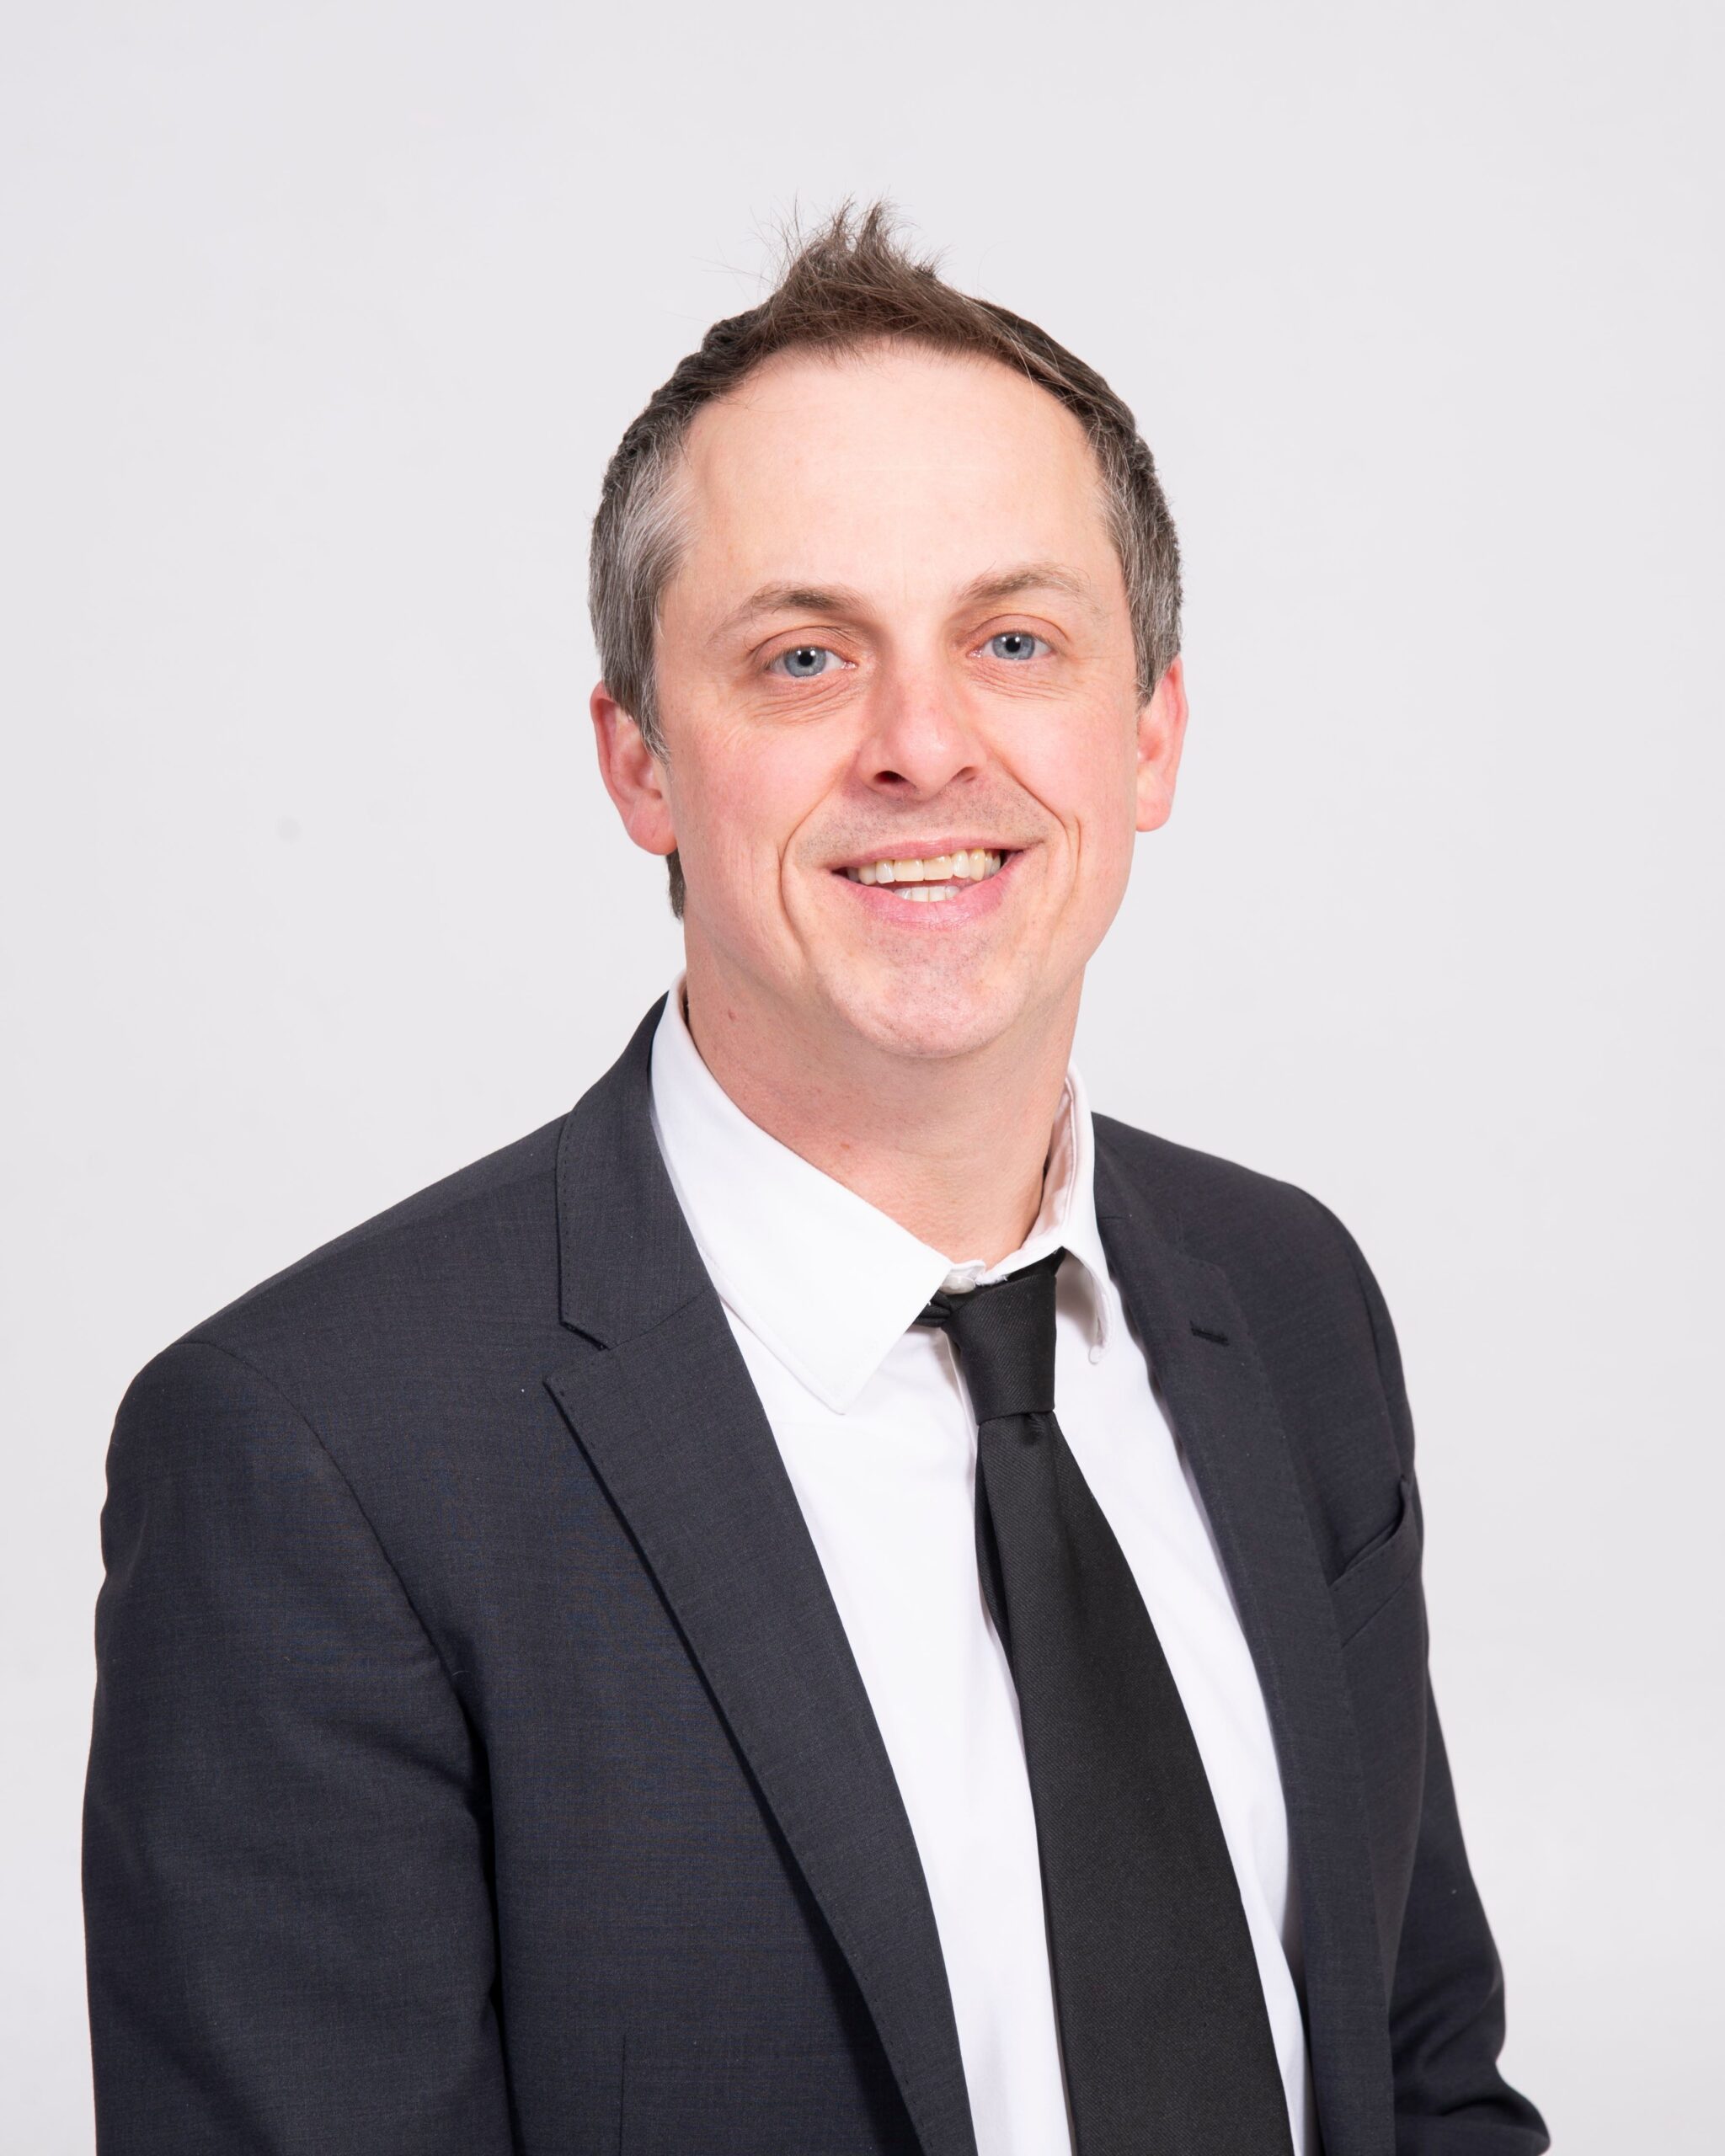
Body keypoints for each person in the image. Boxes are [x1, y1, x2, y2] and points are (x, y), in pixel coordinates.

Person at [82, 204, 1550, 2156]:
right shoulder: (316, 1461)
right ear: (640, 766)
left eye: (1014, 640)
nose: (923, 744)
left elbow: (1420, 2071)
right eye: (800, 657)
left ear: (1148, 734)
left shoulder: (1285, 1299)